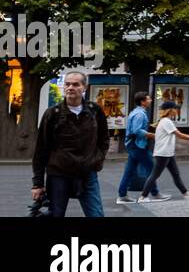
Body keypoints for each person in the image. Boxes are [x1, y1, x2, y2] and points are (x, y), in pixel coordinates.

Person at [31, 71, 110, 217]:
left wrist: (96, 160)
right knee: (56, 214)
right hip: (58, 175)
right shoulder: (52, 114)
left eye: (75, 84)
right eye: (67, 84)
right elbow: (41, 149)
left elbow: (104, 140)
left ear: (84, 87)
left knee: (96, 214)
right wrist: (37, 184)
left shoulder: (94, 111)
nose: (70, 87)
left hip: (87, 174)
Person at [137, 101, 189, 203]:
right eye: (175, 109)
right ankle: (143, 197)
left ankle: (186, 193)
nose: (176, 111)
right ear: (170, 110)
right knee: (154, 175)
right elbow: (179, 135)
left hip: (168, 153)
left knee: (175, 174)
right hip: (163, 154)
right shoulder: (166, 121)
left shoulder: (163, 121)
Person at [117, 91, 162, 205]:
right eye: (148, 99)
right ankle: (155, 193)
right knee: (151, 168)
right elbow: (137, 130)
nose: (150, 100)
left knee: (129, 171)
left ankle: (122, 195)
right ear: (143, 102)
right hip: (138, 145)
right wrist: (152, 135)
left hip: (133, 145)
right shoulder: (140, 114)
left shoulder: (137, 112)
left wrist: (150, 126)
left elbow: (137, 127)